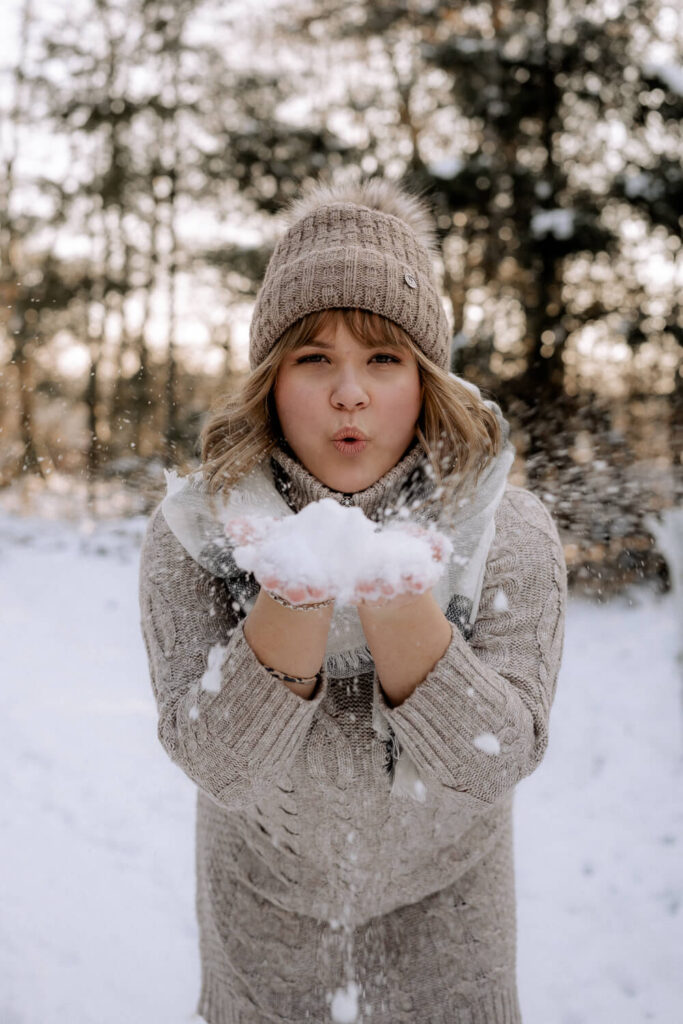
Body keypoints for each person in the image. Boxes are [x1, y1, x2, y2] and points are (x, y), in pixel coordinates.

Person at [138, 177, 567, 1024]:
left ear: (425, 378)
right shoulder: (195, 532)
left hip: (450, 904)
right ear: (269, 380)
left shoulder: (502, 526)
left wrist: (397, 601)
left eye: (382, 358)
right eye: (312, 358)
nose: (349, 394)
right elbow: (216, 762)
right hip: (261, 903)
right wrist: (295, 591)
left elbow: (494, 759)